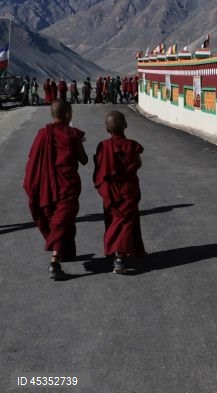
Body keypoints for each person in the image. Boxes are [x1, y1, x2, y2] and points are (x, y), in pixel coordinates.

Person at [23, 99, 88, 280]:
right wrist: (79, 143)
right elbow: (84, 160)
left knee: (59, 220)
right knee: (62, 221)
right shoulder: (72, 134)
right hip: (67, 187)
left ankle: (66, 252)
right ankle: (54, 261)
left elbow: (32, 161)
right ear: (68, 114)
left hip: (47, 187)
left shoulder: (42, 135)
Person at [93, 111, 146, 274]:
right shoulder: (132, 145)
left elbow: (100, 169)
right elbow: (138, 163)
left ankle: (132, 250)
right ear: (125, 125)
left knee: (117, 221)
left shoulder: (104, 146)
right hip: (128, 190)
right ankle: (120, 258)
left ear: (107, 129)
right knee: (126, 222)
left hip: (112, 192)